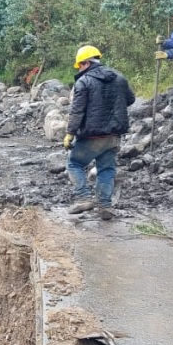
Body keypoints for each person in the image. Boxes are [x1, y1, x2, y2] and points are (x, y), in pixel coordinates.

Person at [64, 45, 135, 220]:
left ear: (86, 63)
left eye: (80, 65)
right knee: (107, 169)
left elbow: (77, 110)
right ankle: (105, 206)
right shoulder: (119, 77)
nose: (79, 69)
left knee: (74, 163)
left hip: (92, 135)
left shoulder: (84, 81)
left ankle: (83, 198)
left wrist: (69, 133)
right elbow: (131, 99)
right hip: (113, 136)